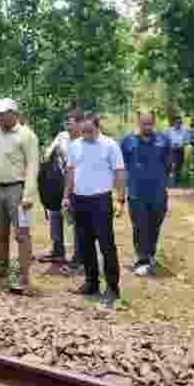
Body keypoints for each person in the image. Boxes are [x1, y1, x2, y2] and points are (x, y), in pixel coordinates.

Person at [64, 114, 126, 305]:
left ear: (98, 128)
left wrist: (120, 199)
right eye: (82, 131)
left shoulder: (110, 145)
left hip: (101, 201)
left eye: (89, 131)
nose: (86, 135)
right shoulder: (75, 146)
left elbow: (119, 172)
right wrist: (67, 196)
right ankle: (91, 283)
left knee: (106, 245)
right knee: (85, 244)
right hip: (79, 200)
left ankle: (113, 288)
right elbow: (71, 171)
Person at [0, 98, 39, 294]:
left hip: (17, 189)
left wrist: (28, 195)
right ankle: (1, 269)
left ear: (13, 114)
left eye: (1, 115)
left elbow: (33, 166)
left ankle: (23, 277)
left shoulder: (26, 135)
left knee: (22, 235)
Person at [120, 113, 168, 276]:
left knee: (155, 224)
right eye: (144, 123)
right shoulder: (128, 141)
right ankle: (142, 258)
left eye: (149, 123)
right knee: (140, 226)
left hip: (158, 192)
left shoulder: (163, 140)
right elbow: (121, 164)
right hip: (136, 192)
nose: (147, 126)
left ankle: (150, 254)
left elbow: (168, 161)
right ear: (138, 123)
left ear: (153, 123)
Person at [38, 110, 82, 265]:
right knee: (55, 215)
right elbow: (48, 154)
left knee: (78, 219)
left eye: (71, 122)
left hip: (78, 185)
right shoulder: (62, 137)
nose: (68, 126)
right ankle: (57, 250)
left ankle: (79, 255)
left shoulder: (85, 140)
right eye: (67, 123)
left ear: (80, 123)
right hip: (58, 184)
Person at [165, 116, 190, 187]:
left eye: (180, 122)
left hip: (180, 149)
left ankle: (176, 183)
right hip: (171, 149)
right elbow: (165, 139)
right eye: (177, 122)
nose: (178, 124)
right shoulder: (169, 130)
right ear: (174, 123)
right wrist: (171, 144)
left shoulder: (184, 130)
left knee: (178, 166)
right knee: (169, 165)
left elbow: (187, 140)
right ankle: (167, 182)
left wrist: (183, 143)